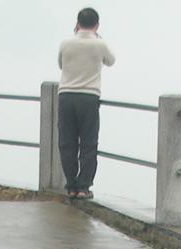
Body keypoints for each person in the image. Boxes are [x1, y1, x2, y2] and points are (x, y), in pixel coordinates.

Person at [57, 8, 114, 199]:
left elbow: (61, 64)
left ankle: (71, 185)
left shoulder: (66, 43)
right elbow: (111, 61)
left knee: (67, 142)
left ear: (77, 23)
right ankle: (83, 187)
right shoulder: (99, 44)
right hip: (89, 97)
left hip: (66, 95)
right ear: (97, 25)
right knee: (88, 143)